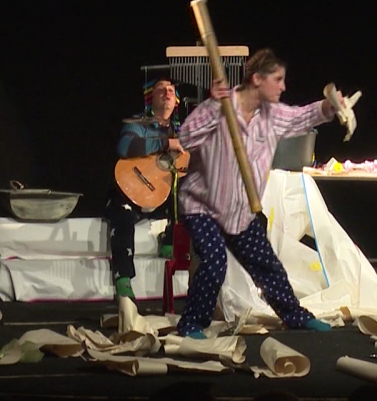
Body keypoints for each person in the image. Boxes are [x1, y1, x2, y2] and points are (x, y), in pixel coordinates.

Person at [174, 48, 352, 338]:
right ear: (257, 79)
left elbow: (302, 117)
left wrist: (328, 106)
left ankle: (295, 316)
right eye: (277, 79)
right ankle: (192, 324)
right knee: (214, 262)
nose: (283, 86)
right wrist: (214, 107)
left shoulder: (273, 115)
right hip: (202, 205)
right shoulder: (220, 106)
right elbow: (186, 136)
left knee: (267, 265)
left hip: (238, 211)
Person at [105, 77, 186, 301]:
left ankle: (170, 241)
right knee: (121, 213)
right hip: (130, 193)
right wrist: (165, 144)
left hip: (162, 197)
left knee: (189, 194)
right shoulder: (138, 124)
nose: (167, 93)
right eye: (161, 89)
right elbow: (125, 147)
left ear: (176, 101)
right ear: (151, 98)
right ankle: (123, 280)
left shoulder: (184, 132)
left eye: (171, 90)